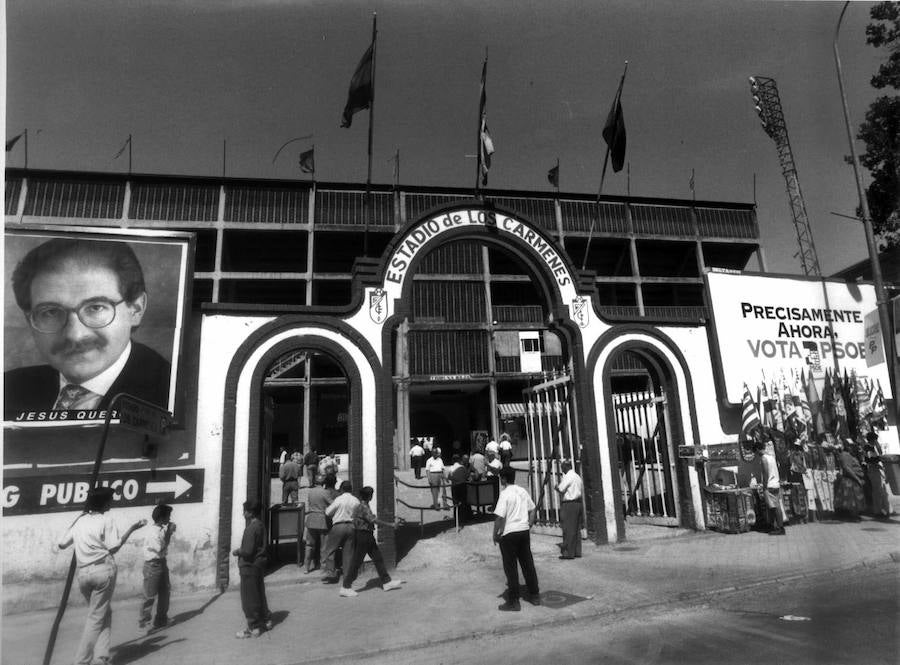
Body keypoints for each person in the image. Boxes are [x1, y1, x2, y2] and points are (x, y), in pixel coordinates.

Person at [5, 238, 171, 418]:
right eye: (51, 312)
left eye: (95, 307)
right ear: (29, 320)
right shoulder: (8, 388)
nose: (75, 335)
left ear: (136, 309)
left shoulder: (170, 392)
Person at [57, 486, 147, 665]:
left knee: (104, 613)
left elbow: (61, 544)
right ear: (104, 502)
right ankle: (81, 661)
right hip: (103, 571)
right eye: (110, 500)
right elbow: (114, 547)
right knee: (96, 618)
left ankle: (101, 658)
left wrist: (77, 520)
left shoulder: (80, 521)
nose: (111, 503)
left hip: (84, 575)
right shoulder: (107, 520)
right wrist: (132, 529)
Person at [339, 486, 403, 597]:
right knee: (357, 562)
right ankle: (346, 586)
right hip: (363, 536)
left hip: (365, 535)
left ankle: (386, 582)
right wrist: (391, 525)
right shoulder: (364, 507)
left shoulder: (361, 506)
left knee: (377, 558)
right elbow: (373, 520)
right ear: (370, 496)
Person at [493, 467, 540, 611]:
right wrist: (529, 524)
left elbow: (499, 517)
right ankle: (534, 595)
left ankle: (513, 601)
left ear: (504, 479)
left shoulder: (505, 494)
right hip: (523, 531)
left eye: (501, 477)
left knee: (511, 567)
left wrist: (495, 534)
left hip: (509, 534)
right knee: (527, 563)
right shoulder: (522, 491)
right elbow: (532, 509)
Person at [233, 499, 272, 638]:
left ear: (250, 513)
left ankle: (254, 627)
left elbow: (248, 551)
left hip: (249, 566)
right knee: (259, 594)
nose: (243, 514)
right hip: (259, 565)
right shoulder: (261, 525)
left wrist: (238, 551)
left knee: (249, 598)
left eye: (245, 511)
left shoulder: (251, 529)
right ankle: (266, 620)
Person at [139, 503, 175, 634]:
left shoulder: (160, 530)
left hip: (161, 563)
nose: (169, 518)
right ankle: (144, 622)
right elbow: (161, 548)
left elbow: (164, 546)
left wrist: (169, 532)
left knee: (165, 591)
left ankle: (161, 619)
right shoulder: (153, 532)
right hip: (153, 565)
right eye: (168, 516)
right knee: (149, 595)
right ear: (161, 517)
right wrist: (170, 533)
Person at [321, 481, 359, 584]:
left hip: (338, 526)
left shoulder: (339, 499)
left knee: (330, 550)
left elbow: (328, 512)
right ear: (351, 489)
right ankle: (347, 576)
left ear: (342, 489)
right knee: (348, 553)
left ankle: (331, 573)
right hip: (351, 526)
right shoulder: (356, 500)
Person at [304, 474, 337, 573]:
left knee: (309, 545)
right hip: (322, 520)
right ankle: (323, 566)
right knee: (324, 545)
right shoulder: (325, 492)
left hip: (311, 519)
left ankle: (307, 567)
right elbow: (333, 504)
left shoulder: (310, 492)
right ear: (323, 483)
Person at [756, 439, 785, 535]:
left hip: (769, 485)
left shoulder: (764, 458)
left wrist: (764, 486)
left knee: (774, 507)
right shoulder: (771, 457)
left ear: (758, 450)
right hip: (775, 483)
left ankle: (779, 528)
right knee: (775, 506)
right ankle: (775, 526)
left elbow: (765, 473)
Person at [556, 460, 584, 559]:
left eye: (562, 467)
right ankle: (577, 551)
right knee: (576, 528)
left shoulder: (568, 476)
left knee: (568, 528)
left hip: (569, 504)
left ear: (566, 467)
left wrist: (556, 487)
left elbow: (561, 488)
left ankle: (568, 552)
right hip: (578, 504)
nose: (561, 469)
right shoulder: (577, 476)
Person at [834, 440, 866, 522]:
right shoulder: (845, 455)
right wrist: (857, 479)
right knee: (852, 500)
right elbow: (847, 468)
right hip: (850, 479)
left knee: (855, 499)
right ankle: (853, 516)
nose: (852, 447)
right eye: (850, 446)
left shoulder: (849, 455)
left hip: (853, 479)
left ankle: (854, 515)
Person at [864, 431, 891, 519]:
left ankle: (884, 509)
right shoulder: (867, 448)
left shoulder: (874, 447)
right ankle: (878, 510)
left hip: (878, 470)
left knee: (882, 490)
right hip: (873, 470)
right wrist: (880, 459)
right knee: (877, 491)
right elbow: (871, 459)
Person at [448, 454, 471, 522]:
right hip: (463, 486)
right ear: (459, 460)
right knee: (463, 501)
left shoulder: (451, 468)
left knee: (455, 502)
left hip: (454, 486)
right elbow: (466, 476)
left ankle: (456, 518)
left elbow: (449, 477)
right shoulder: (462, 467)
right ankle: (464, 518)